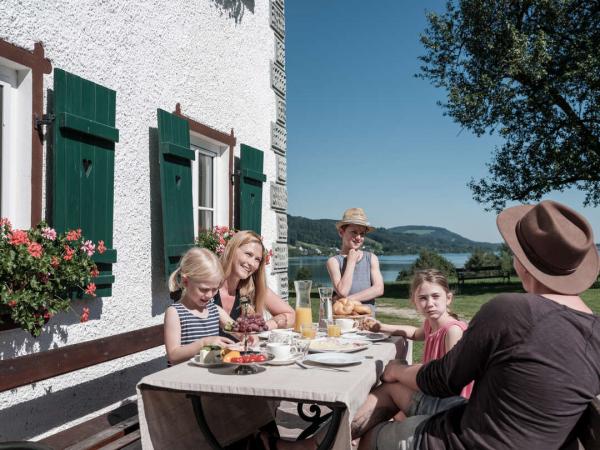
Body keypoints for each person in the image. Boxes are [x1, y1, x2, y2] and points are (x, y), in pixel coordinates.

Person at [351, 200, 600, 450]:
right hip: (500, 426)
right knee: (393, 391)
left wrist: (396, 370)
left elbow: (443, 379)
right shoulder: (595, 330)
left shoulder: (512, 310)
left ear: (522, 264)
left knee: (373, 436)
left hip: (470, 440)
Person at [362, 269, 473, 402]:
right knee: (390, 386)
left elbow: (451, 379)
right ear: (415, 302)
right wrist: (381, 327)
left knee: (389, 387)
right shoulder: (430, 324)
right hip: (433, 390)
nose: (430, 303)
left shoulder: (453, 331)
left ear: (448, 298)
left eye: (436, 296)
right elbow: (415, 333)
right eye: (423, 298)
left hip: (450, 402)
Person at [214, 230, 295, 336]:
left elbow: (292, 315)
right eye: (248, 254)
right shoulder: (207, 287)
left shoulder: (253, 288)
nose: (252, 263)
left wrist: (266, 326)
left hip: (242, 352)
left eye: (257, 259)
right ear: (231, 250)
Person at [163, 247, 234, 365]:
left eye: (215, 289)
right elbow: (173, 355)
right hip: (183, 378)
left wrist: (247, 335)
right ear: (186, 282)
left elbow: (236, 329)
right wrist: (203, 344)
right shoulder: (175, 312)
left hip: (209, 374)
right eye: (204, 289)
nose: (210, 295)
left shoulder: (215, 310)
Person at [326, 208, 384, 316]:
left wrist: (345, 301)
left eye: (362, 234)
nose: (358, 238)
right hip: (343, 323)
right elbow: (343, 291)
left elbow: (379, 289)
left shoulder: (371, 258)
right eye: (354, 232)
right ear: (341, 232)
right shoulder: (333, 261)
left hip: (367, 323)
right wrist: (351, 261)